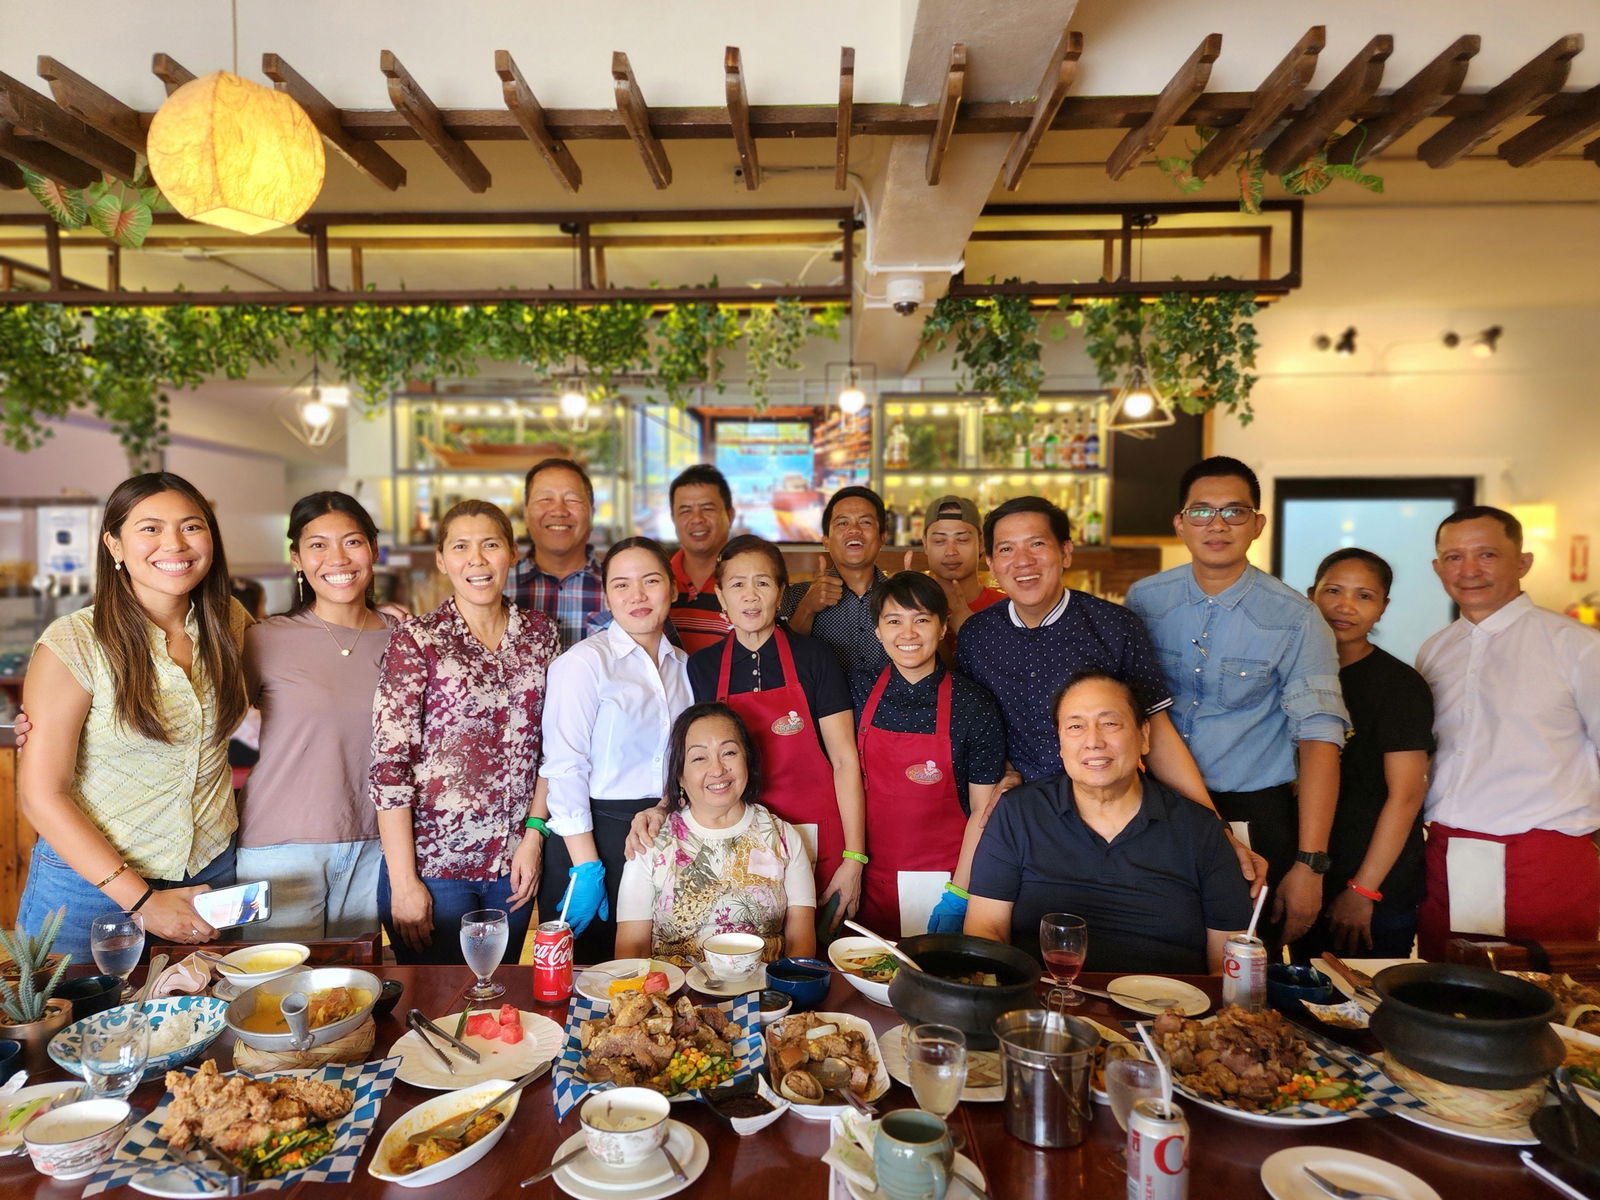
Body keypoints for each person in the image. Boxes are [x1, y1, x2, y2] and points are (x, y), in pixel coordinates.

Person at [17, 472, 251, 960]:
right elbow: (42, 795)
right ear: (114, 544)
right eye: (150, 528)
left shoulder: (230, 621)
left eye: (192, 526)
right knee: (73, 1031)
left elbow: (298, 682)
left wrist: (381, 622)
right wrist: (142, 901)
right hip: (89, 887)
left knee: (205, 1027)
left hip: (208, 872)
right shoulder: (74, 642)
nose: (175, 544)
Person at [1125, 457, 1347, 946]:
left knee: (1244, 963)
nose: (1217, 525)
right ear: (1180, 523)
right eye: (1201, 512)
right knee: (1156, 952)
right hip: (1155, 808)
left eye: (1234, 512)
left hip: (1252, 815)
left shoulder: (1296, 617)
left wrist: (1310, 864)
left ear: (1257, 524)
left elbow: (1319, 741)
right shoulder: (1144, 599)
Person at [629, 534, 867, 926]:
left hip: (818, 833)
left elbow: (844, 760)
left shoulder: (816, 659)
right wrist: (661, 806)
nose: (750, 595)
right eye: (737, 584)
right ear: (721, 597)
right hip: (732, 834)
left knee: (814, 950)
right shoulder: (702, 667)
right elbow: (693, 757)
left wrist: (854, 857)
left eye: (763, 582)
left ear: (781, 592)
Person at [370, 500, 559, 964]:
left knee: (496, 999)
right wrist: (404, 881)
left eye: (490, 545)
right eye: (461, 546)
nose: (477, 559)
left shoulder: (541, 635)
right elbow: (389, 768)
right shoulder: (418, 639)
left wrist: (533, 837)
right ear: (441, 559)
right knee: (436, 1007)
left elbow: (556, 745)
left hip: (513, 864)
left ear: (512, 553)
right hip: (435, 869)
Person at [964, 671, 1252, 972]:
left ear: (1144, 736)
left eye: (1109, 723)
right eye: (1076, 726)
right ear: (1060, 744)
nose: (1093, 741)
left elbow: (1230, 962)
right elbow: (986, 929)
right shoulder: (1018, 814)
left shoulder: (1200, 829)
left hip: (1171, 1010)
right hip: (1044, 1008)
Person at [1415, 505, 1600, 960]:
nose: (1469, 570)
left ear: (1523, 562)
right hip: (1449, 854)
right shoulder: (1435, 651)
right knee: (1450, 1002)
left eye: (1487, 555)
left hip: (1546, 857)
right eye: (1454, 557)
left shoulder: (1577, 646)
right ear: (1438, 568)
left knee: (1553, 1009)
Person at [235, 492, 394, 941]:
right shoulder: (263, 639)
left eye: (352, 542)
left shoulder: (405, 638)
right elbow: (204, 721)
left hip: (374, 845)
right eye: (318, 545)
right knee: (273, 993)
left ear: (374, 550)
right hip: (278, 849)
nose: (337, 558)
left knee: (350, 994)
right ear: (297, 558)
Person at [531, 537, 693, 965]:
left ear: (672, 589)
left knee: (657, 973)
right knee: (588, 979)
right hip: (591, 833)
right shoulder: (584, 663)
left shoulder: (685, 666)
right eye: (621, 585)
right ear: (607, 596)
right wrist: (587, 867)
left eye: (651, 581)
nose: (637, 596)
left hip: (663, 829)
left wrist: (666, 807)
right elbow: (564, 765)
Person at [850, 571, 1006, 938]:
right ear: (877, 630)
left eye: (921, 619)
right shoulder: (856, 689)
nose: (908, 634)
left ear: (942, 627)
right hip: (868, 875)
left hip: (945, 878)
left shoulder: (975, 704)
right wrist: (850, 862)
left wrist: (960, 893)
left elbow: (983, 810)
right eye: (894, 621)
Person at [1299, 549, 1433, 958]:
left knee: (1367, 1011)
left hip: (1374, 884)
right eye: (1333, 591)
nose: (1345, 606)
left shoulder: (1399, 686)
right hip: (1307, 876)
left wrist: (1363, 889)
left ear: (1382, 608)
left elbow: (1407, 795)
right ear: (1311, 595)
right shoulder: (1295, 673)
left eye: (1364, 596)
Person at [616, 703, 817, 966]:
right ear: (679, 775)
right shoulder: (650, 843)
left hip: (764, 995)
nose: (718, 769)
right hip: (677, 995)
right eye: (699, 758)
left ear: (747, 760)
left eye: (729, 752)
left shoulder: (783, 837)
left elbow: (801, 945)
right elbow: (631, 950)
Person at [779, 485, 891, 676]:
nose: (854, 530)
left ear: (882, 538)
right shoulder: (797, 595)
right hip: (822, 706)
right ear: (826, 541)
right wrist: (807, 609)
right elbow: (780, 661)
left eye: (865, 522)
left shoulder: (899, 595)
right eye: (842, 523)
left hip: (890, 705)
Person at [507, 457, 606, 649]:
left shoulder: (621, 590)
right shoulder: (498, 588)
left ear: (591, 513)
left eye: (572, 500)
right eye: (545, 499)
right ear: (526, 512)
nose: (559, 511)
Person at [914, 495, 1005, 661]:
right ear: (925, 544)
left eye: (962, 539)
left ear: (982, 543)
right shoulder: (906, 608)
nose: (951, 551)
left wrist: (971, 629)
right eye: (939, 540)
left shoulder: (1006, 608)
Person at [667, 464, 736, 654]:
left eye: (707, 508)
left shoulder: (748, 581)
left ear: (730, 515)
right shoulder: (657, 583)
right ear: (673, 518)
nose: (697, 519)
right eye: (685, 510)